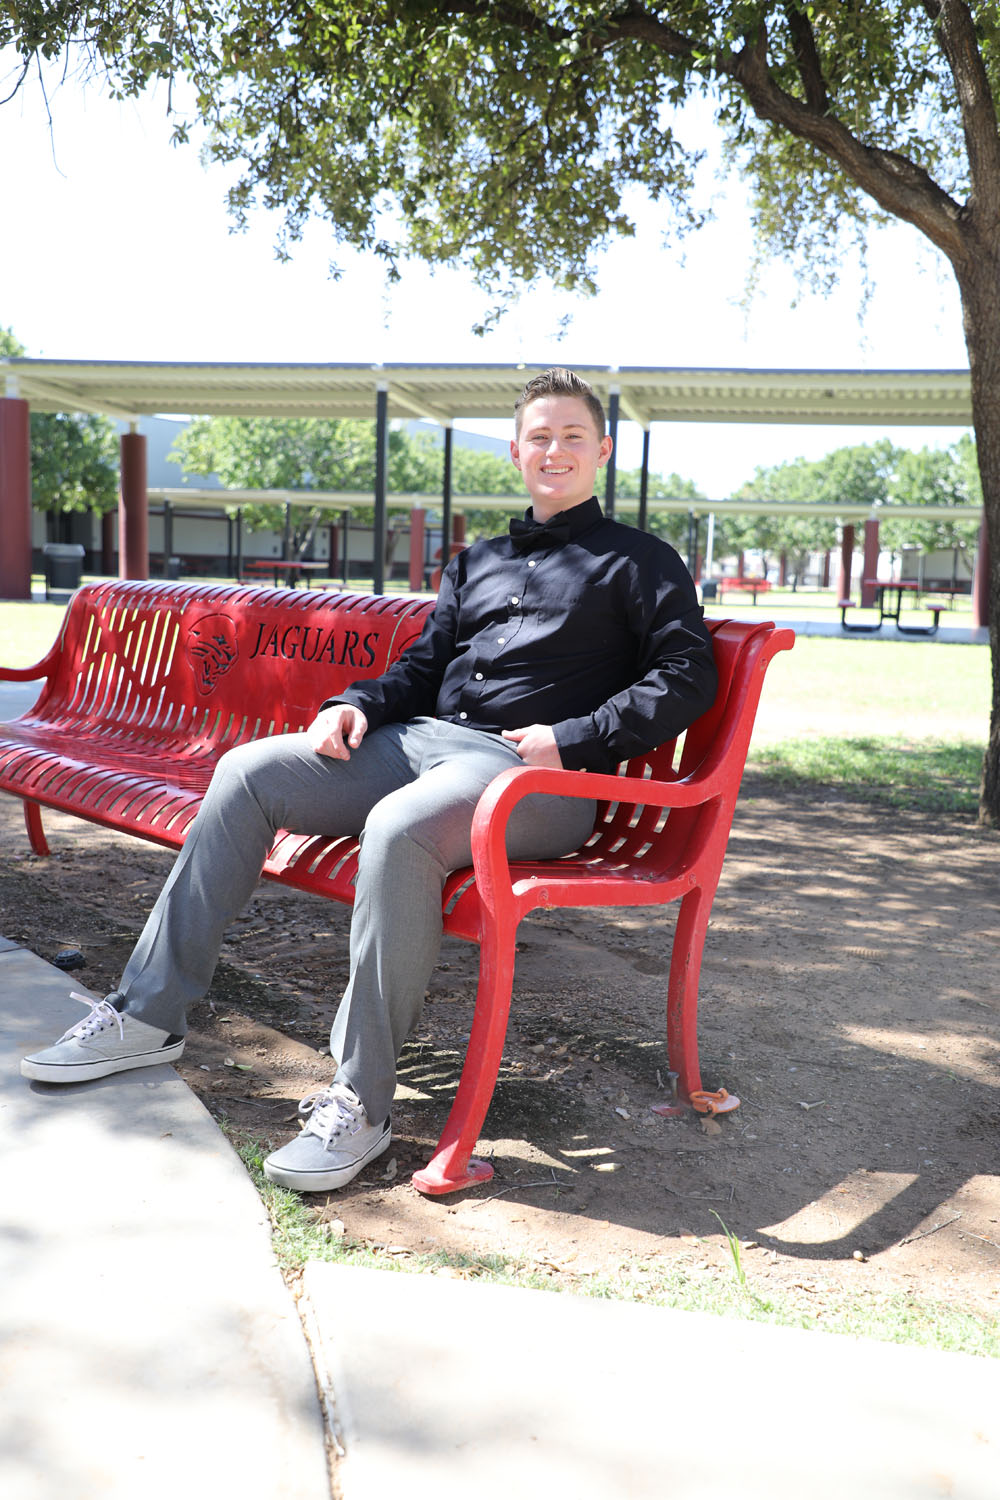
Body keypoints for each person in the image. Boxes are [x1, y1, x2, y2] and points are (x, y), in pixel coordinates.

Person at [21, 368, 718, 1193]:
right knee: (247, 772)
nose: (555, 450)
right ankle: (145, 1015)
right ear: (516, 449)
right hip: (421, 742)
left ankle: (362, 1102)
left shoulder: (639, 563)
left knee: (398, 828)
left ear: (602, 450)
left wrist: (573, 738)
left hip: (535, 782)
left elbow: (687, 674)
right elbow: (423, 667)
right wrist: (355, 703)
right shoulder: (481, 561)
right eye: (540, 435)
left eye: (573, 436)